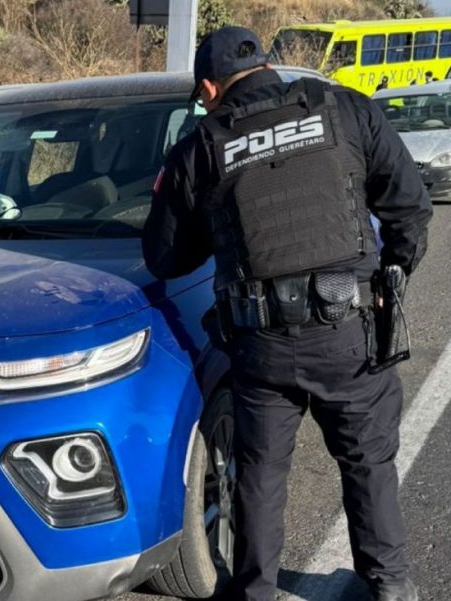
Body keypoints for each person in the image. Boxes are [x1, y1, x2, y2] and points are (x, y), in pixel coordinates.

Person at [142, 26, 432, 601]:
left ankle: (255, 592)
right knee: (367, 462)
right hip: (349, 329)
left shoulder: (201, 146)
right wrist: (388, 281)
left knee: (260, 474)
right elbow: (410, 209)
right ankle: (390, 585)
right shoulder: (345, 108)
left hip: (261, 344)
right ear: (268, 65)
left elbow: (166, 257)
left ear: (210, 88)